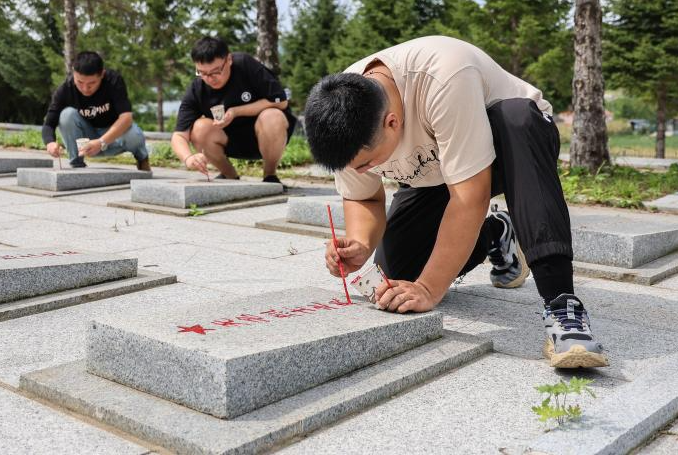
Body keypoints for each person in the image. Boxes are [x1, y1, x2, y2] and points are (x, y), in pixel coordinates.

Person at [302, 36, 608, 369]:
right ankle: (495, 232)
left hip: (513, 148)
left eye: (366, 165)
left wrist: (430, 288)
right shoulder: (342, 109)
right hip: (436, 174)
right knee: (397, 280)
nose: (362, 172)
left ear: (392, 122)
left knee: (516, 117)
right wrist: (360, 244)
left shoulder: (443, 76)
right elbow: (363, 197)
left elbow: (470, 197)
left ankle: (562, 306)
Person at [171, 36, 296, 184]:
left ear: (229, 60)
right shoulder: (197, 89)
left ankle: (270, 175)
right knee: (199, 128)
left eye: (216, 71)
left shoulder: (244, 64)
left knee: (272, 116)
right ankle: (229, 176)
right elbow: (179, 135)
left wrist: (236, 111)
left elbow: (281, 101)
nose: (210, 78)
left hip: (266, 137)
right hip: (228, 141)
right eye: (202, 73)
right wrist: (188, 158)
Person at [42, 51, 151, 171]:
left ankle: (142, 159)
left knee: (134, 134)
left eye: (91, 83)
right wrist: (50, 143)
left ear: (102, 74)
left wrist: (101, 142)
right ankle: (76, 163)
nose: (85, 89)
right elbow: (49, 124)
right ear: (74, 74)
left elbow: (126, 118)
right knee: (66, 115)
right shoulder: (65, 89)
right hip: (86, 142)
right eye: (80, 82)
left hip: (114, 137)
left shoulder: (113, 80)